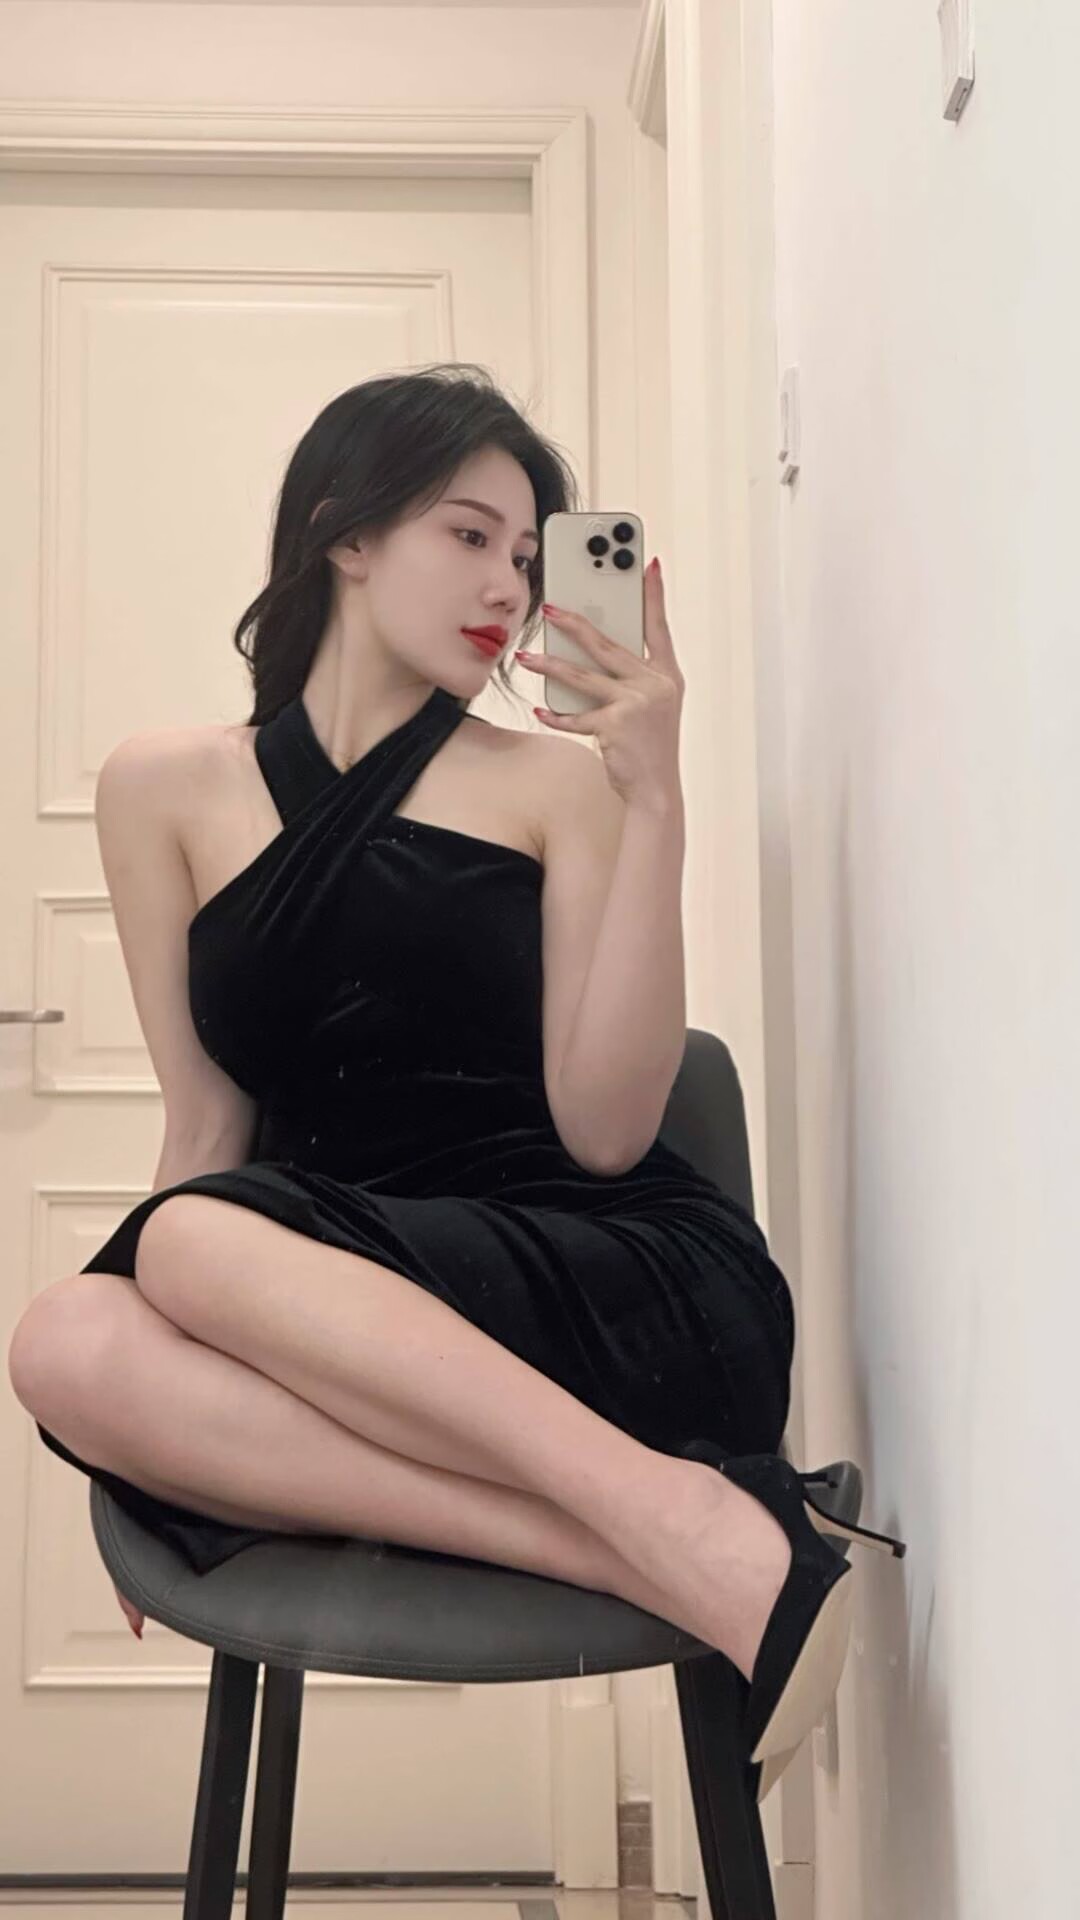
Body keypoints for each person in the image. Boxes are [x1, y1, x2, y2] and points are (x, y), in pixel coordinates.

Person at [7, 362, 896, 1792]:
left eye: (530, 556)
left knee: (177, 1247)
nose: (508, 586)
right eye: (470, 535)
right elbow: (210, 1119)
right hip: (346, 1310)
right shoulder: (161, 789)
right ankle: (695, 1541)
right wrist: (139, 1441)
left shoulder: (559, 786)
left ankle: (676, 1517)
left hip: (604, 1271)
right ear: (347, 534)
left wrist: (656, 800)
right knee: (64, 1343)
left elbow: (607, 1132)